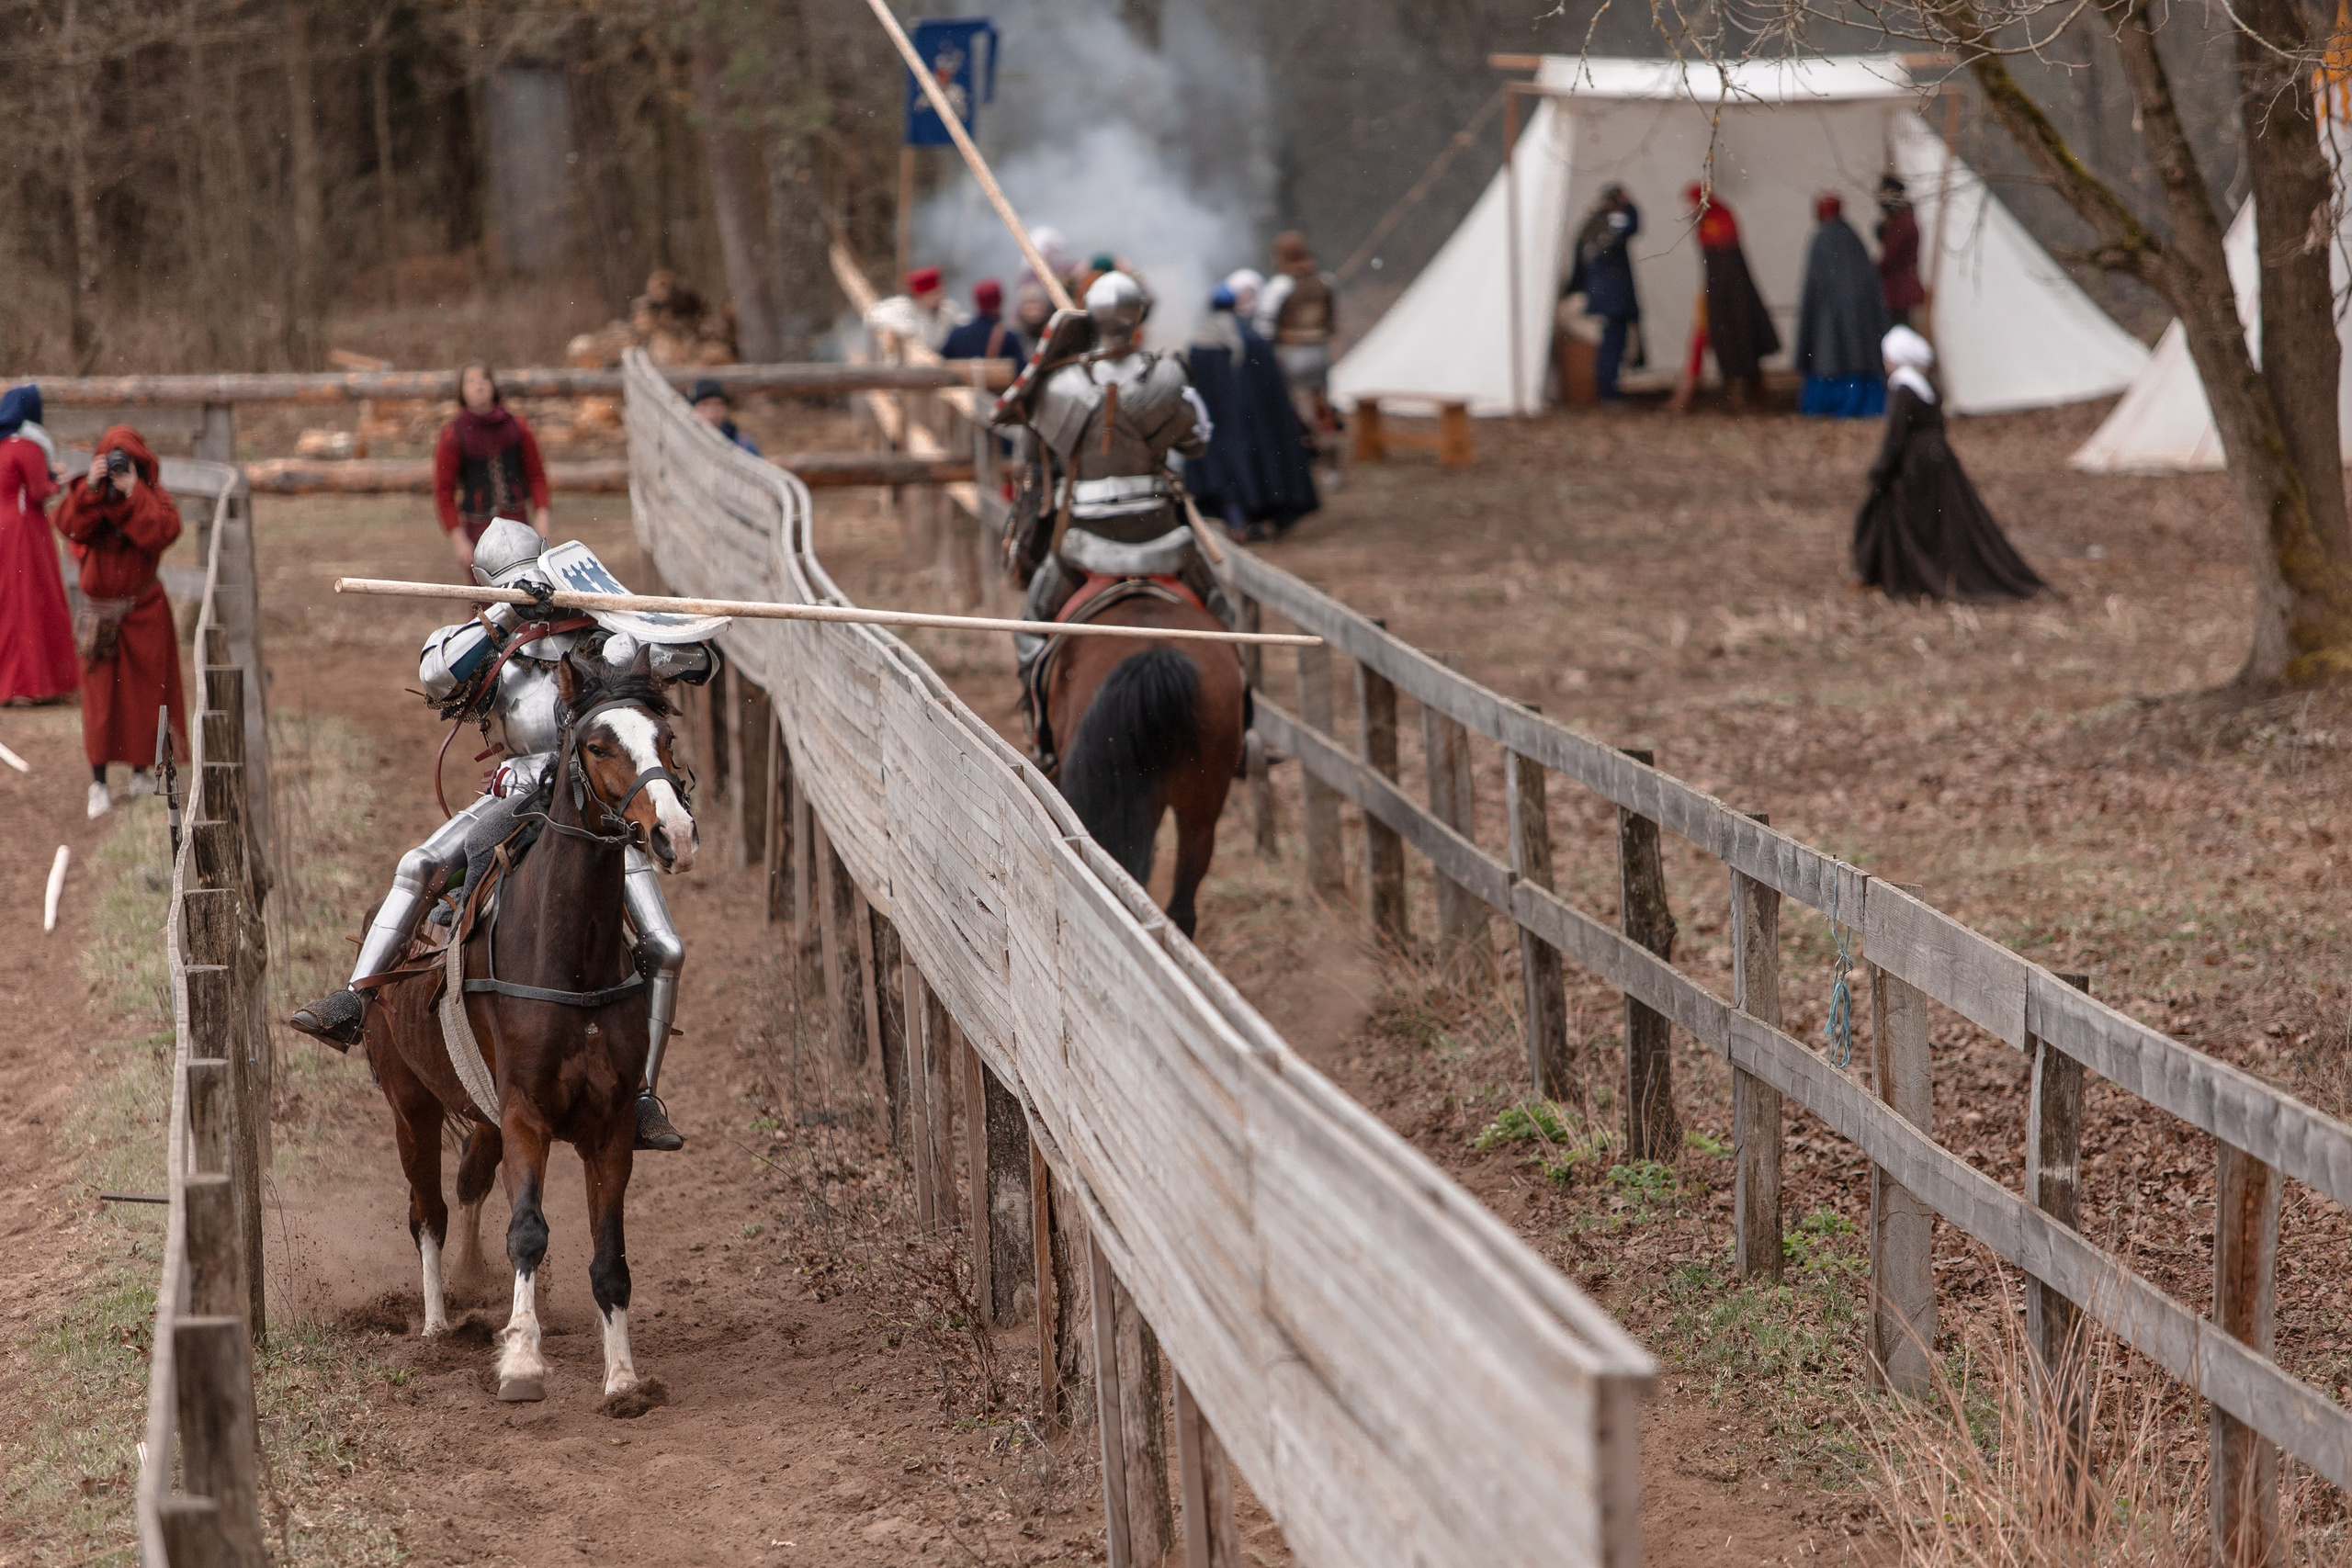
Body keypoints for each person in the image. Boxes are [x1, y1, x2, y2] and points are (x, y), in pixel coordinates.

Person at [288, 518, 723, 1150]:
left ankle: (643, 1096)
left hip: (597, 806)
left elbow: (689, 657)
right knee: (417, 865)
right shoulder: (484, 643)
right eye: (514, 583)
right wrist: (509, 615)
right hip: (517, 795)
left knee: (666, 946)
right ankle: (356, 1000)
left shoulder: (600, 640)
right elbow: (437, 672)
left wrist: (656, 623)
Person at [991, 271, 1222, 763]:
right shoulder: (1167, 377)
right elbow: (1198, 442)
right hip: (1160, 531)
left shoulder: (1059, 383)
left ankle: (1042, 741)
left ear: (1090, 317)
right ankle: (1240, 732)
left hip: (1084, 537)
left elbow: (1034, 460)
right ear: (1139, 316)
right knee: (1221, 611)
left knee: (1032, 628)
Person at [1852, 327, 2047, 604]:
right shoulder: (1926, 385)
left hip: (1914, 465)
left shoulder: (1904, 387)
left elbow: (1897, 435)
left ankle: (1908, 576)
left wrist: (1883, 469)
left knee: (1911, 521)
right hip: (1938, 460)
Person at [53, 426, 187, 818]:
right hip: (100, 616)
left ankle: (142, 772)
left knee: (145, 695)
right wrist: (92, 488)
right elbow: (68, 526)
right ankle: (98, 783)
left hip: (144, 611)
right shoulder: (91, 494)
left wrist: (134, 492)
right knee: (99, 703)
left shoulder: (151, 497)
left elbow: (164, 532)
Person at [1186, 282, 1318, 540]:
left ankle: (1241, 520)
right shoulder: (1251, 337)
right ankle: (1256, 518)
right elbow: (1274, 392)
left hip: (1218, 424)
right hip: (1253, 423)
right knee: (1260, 463)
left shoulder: (1200, 342)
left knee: (1229, 469)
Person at [0, 385, 76, 706]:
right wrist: (57, 481)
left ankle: (10, 682)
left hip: (3, 525)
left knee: (8, 602)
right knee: (29, 601)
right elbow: (37, 491)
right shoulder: (26, 446)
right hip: (24, 529)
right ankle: (30, 684)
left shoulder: (3, 445)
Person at [433, 364, 550, 571]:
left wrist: (542, 515)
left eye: (484, 378)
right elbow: (444, 492)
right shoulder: (453, 435)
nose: (479, 384)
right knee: (486, 597)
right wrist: (458, 538)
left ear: (493, 385)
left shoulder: (517, 427)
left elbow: (536, 475)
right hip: (478, 528)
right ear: (461, 391)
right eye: (470, 380)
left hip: (518, 523)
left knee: (527, 592)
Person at [1678, 184, 1780, 411]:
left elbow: (1728, 260)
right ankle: (1734, 394)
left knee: (1744, 342)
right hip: (1718, 298)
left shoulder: (1721, 218)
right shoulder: (1705, 222)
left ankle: (1754, 394)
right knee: (1725, 346)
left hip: (1736, 298)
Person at [1253, 231, 1341, 482]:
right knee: (1323, 408)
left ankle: (1295, 464)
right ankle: (1331, 469)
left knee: (1288, 409)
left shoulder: (1280, 286)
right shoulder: (1326, 281)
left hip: (1290, 356)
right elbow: (1331, 323)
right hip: (1320, 353)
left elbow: (1264, 328)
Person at [1795, 195, 1891, 419]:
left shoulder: (1821, 240)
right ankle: (1860, 403)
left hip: (1828, 318)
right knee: (1855, 357)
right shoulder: (1852, 238)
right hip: (1856, 320)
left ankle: (1829, 403)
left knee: (1830, 358)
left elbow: (1814, 285)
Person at [1565, 185, 1642, 400]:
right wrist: (1629, 206)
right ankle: (1608, 393)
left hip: (1601, 294)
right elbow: (1631, 227)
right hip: (1611, 297)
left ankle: (1608, 390)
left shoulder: (1592, 222)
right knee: (1612, 344)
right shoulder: (1610, 221)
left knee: (1611, 343)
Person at [1876, 175, 1926, 329]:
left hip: (1899, 295)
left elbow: (1891, 258)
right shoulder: (1903, 220)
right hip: (1899, 293)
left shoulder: (1903, 223)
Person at [941, 278, 1029, 364]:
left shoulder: (956, 335)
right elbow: (1022, 370)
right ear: (1000, 302)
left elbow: (942, 362)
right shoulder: (1008, 337)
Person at [689, 378, 761, 455]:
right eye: (704, 404)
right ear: (691, 409)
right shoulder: (684, 441)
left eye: (717, 405)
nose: (711, 412)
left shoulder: (743, 445)